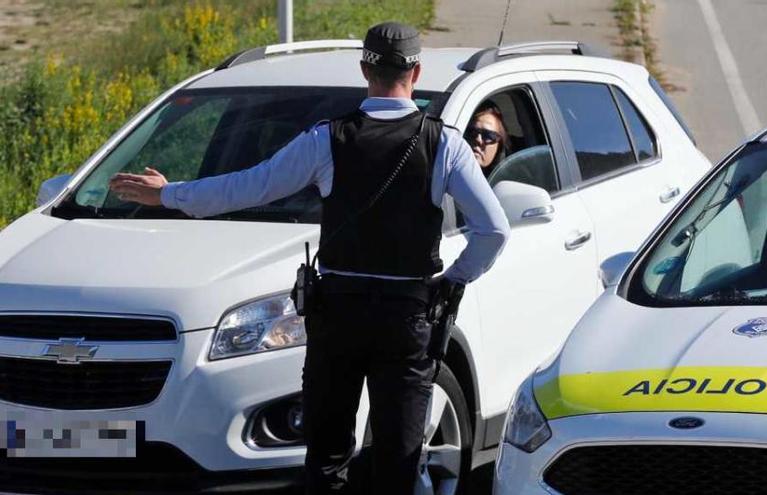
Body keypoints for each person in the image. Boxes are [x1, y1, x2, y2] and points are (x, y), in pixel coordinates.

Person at [109, 22, 510, 495]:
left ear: (366, 69)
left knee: (326, 456)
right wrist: (451, 282)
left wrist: (169, 194)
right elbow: (494, 231)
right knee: (399, 458)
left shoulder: (327, 139)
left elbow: (245, 186)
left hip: (337, 312)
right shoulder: (443, 144)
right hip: (407, 315)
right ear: (416, 72)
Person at [464, 100, 509, 178]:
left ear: (499, 145)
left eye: (488, 135)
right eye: (472, 132)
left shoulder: (506, 184)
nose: (478, 139)